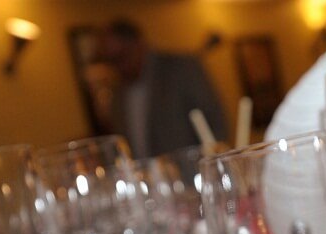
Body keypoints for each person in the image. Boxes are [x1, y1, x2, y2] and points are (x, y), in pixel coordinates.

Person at [97, 19, 228, 158]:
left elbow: (215, 122)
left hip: (193, 166)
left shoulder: (181, 68)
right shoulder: (117, 93)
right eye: (111, 61)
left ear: (138, 44)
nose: (118, 66)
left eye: (122, 56)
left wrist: (211, 162)